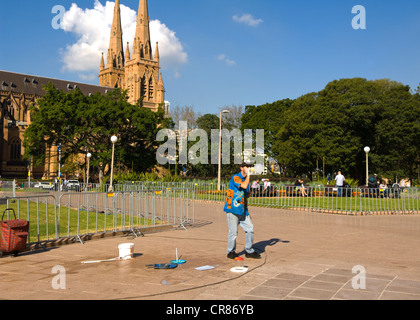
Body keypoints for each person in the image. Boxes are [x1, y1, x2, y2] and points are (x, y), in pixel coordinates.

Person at [224, 162, 261, 260]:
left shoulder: (247, 181)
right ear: (241, 168)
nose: (249, 168)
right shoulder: (236, 177)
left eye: (250, 166)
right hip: (232, 209)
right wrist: (248, 175)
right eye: (247, 166)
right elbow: (243, 186)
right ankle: (230, 251)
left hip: (243, 210)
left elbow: (245, 197)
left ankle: (249, 250)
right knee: (233, 232)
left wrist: (247, 212)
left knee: (250, 229)